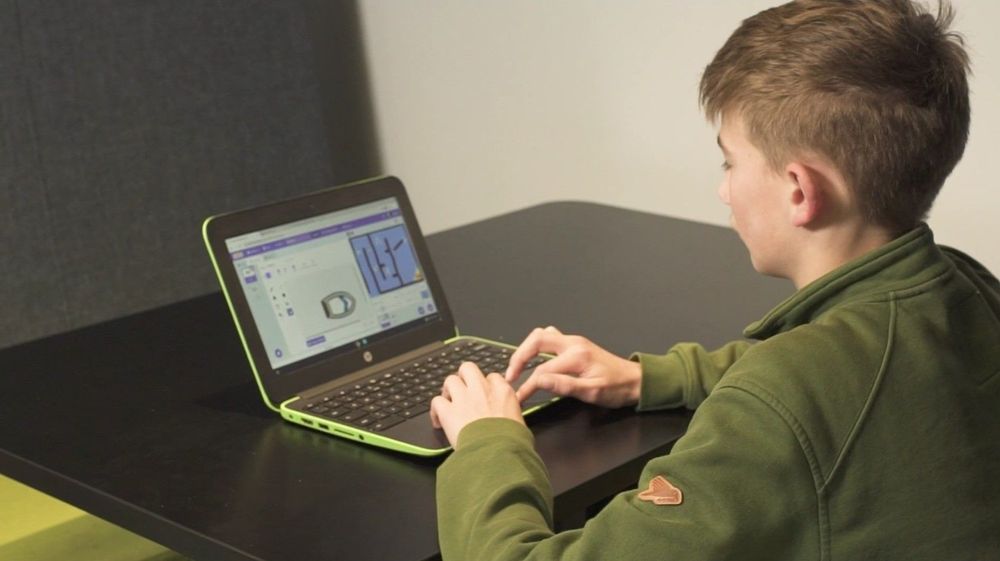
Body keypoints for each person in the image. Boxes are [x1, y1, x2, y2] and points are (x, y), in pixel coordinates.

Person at [428, 0, 1000, 559]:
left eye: (730, 161)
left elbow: (795, 392)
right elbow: (840, 373)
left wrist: (489, 441)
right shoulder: (967, 288)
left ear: (799, 191)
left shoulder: (784, 397)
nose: (725, 188)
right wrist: (646, 378)